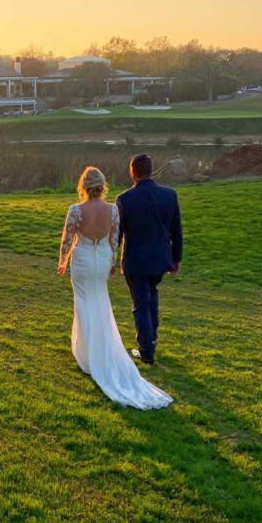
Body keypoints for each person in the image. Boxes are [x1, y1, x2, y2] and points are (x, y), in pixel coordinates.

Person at [58, 167, 172, 409]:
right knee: (99, 301)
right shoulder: (112, 210)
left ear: (83, 186)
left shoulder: (76, 210)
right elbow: (113, 240)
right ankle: (98, 352)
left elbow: (68, 239)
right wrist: (110, 263)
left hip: (83, 259)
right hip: (102, 261)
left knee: (84, 303)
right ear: (101, 186)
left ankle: (89, 356)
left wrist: (62, 261)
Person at [116, 154, 183, 365]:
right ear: (151, 171)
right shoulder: (169, 195)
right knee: (152, 297)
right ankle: (151, 340)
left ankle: (146, 351)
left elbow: (118, 233)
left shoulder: (124, 199)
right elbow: (176, 231)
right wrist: (176, 259)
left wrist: (110, 257)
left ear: (132, 173)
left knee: (141, 305)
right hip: (160, 260)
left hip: (135, 260)